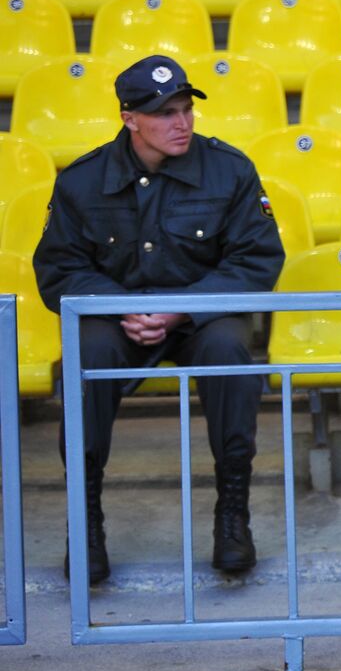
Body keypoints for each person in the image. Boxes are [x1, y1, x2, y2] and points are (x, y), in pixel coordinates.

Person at [33, 55, 285, 584]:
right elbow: (60, 269)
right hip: (116, 315)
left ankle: (232, 516)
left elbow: (256, 259)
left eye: (186, 109)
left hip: (198, 316)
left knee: (230, 354)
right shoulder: (82, 181)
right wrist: (122, 307)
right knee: (89, 356)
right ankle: (85, 525)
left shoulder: (229, 169)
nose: (182, 123)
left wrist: (177, 310)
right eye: (165, 113)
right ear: (129, 119)